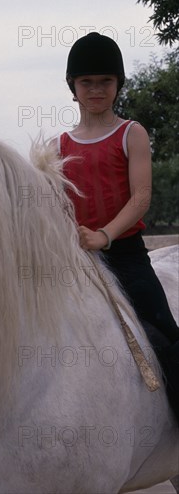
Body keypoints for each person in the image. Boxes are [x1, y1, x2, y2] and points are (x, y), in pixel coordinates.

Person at [54, 32, 179, 422]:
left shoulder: (131, 133)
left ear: (118, 84)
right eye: (86, 82)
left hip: (125, 255)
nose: (96, 89)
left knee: (165, 332)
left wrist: (104, 234)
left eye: (105, 81)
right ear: (72, 87)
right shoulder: (58, 145)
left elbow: (141, 197)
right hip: (76, 259)